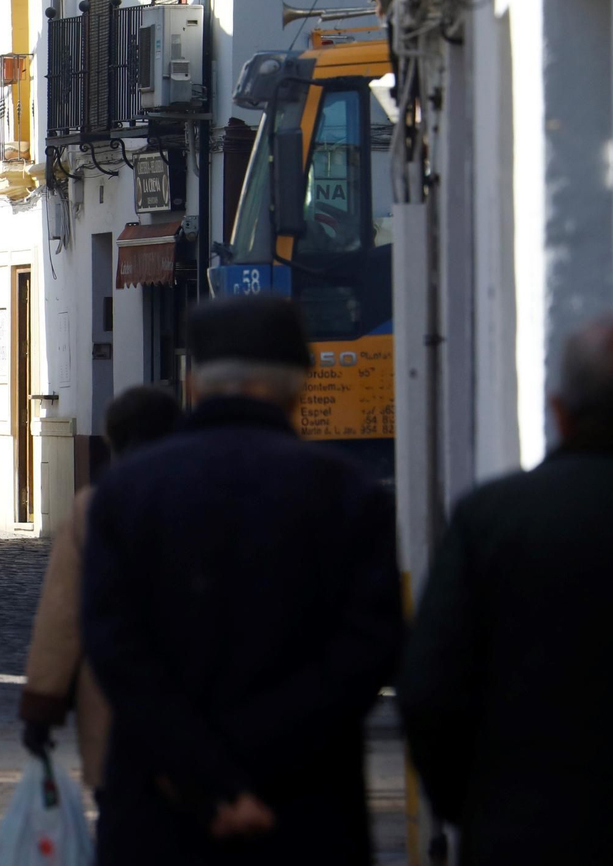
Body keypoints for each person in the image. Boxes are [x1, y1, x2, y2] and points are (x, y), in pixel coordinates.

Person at [83, 295, 402, 864]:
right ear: (301, 384)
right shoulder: (347, 492)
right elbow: (367, 650)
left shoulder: (129, 491)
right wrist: (258, 770)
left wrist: (208, 777)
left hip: (163, 806)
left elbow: (116, 648)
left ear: (193, 383)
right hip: (304, 808)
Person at [397, 314, 613, 866]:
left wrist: (471, 806)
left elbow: (430, 689)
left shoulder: (493, 518)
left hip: (527, 830)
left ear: (560, 411)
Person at [19, 385, 182, 798]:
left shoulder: (97, 505)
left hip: (118, 700)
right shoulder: (208, 493)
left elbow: (62, 614)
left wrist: (43, 707)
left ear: (114, 439)